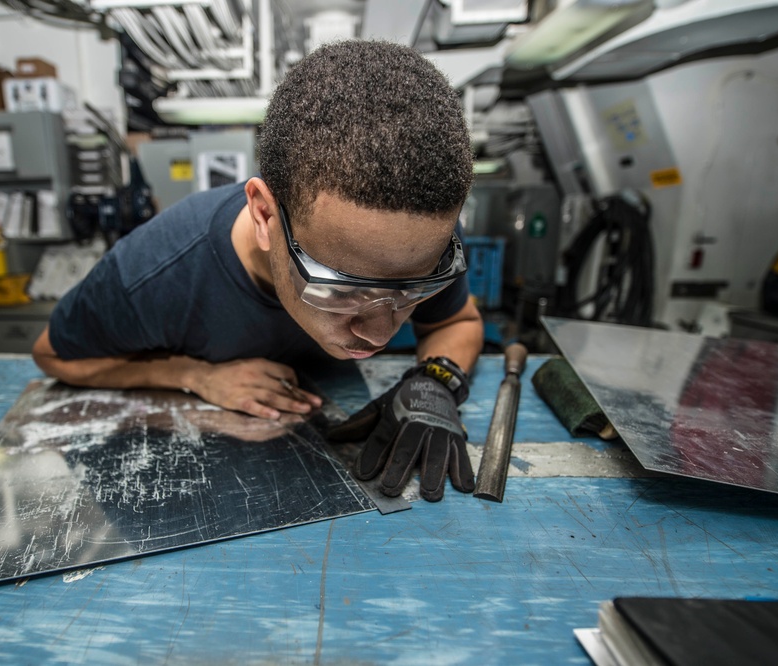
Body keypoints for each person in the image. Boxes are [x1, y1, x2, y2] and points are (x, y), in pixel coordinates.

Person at [32, 39, 484, 501]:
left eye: (413, 288)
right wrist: (194, 375)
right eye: (343, 288)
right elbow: (54, 355)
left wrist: (437, 380)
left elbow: (457, 321)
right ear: (265, 216)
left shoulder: (417, 240)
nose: (379, 334)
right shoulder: (157, 271)